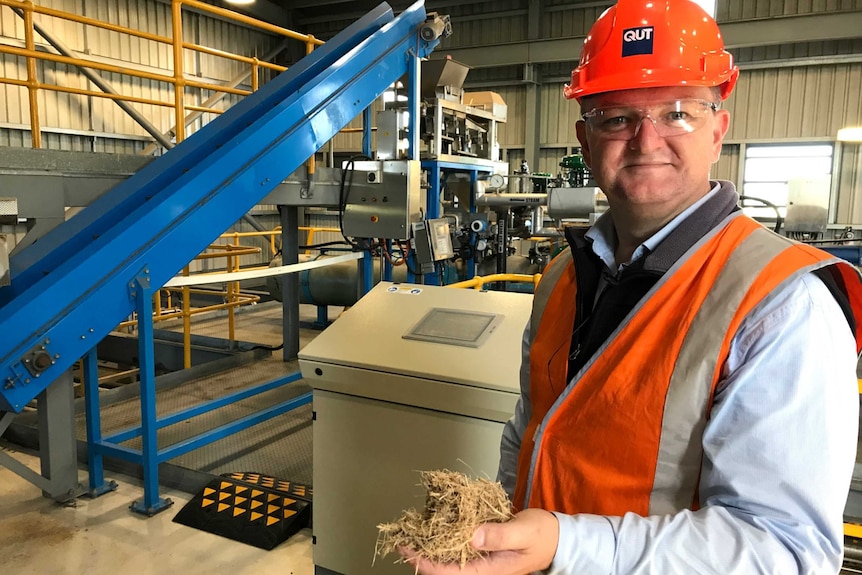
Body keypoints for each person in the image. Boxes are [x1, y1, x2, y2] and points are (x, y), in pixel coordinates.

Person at [402, 0, 862, 573]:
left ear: (718, 129)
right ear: (585, 139)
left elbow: (786, 550)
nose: (646, 141)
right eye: (616, 117)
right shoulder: (562, 278)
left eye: (678, 113)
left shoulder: (781, 304)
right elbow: (534, 429)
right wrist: (494, 535)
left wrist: (567, 546)